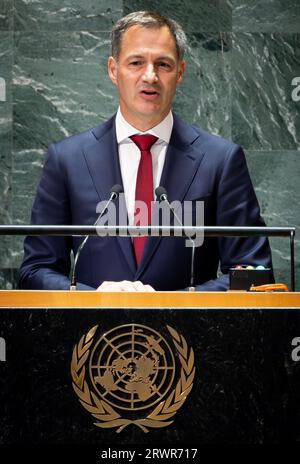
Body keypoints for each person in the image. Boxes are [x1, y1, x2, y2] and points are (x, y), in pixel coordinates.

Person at [19, 10, 273, 292]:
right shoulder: (67, 160)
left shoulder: (220, 161)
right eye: (136, 62)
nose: (150, 76)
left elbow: (253, 273)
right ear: (114, 70)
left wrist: (171, 305)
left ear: (180, 73)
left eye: (163, 64)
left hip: (193, 333)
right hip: (92, 333)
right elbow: (35, 271)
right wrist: (94, 299)